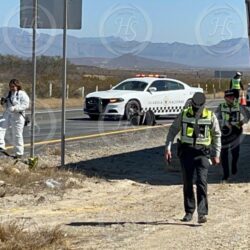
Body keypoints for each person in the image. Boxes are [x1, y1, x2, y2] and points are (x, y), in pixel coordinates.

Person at [165, 92, 221, 223]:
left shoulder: (210, 116)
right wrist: (167, 148)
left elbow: (217, 135)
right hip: (187, 153)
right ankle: (189, 212)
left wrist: (216, 154)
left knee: (202, 182)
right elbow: (173, 130)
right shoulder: (184, 114)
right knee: (188, 182)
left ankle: (202, 214)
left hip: (202, 154)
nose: (197, 109)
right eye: (195, 106)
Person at [215, 89, 250, 182]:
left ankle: (234, 164)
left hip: (236, 131)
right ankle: (226, 175)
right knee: (224, 154)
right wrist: (224, 122)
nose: (230, 99)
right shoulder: (221, 107)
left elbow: (247, 116)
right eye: (228, 97)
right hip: (225, 132)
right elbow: (215, 118)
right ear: (225, 98)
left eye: (232, 97)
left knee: (235, 152)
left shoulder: (239, 106)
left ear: (234, 97)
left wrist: (241, 123)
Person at [0, 79, 30, 158]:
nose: (11, 88)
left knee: (17, 134)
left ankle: (19, 153)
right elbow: (6, 104)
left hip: (18, 116)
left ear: (17, 86)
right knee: (1, 127)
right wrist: (3, 102)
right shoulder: (9, 93)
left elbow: (26, 105)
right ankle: (1, 145)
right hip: (8, 114)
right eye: (10, 86)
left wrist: (15, 108)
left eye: (13, 86)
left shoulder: (22, 94)